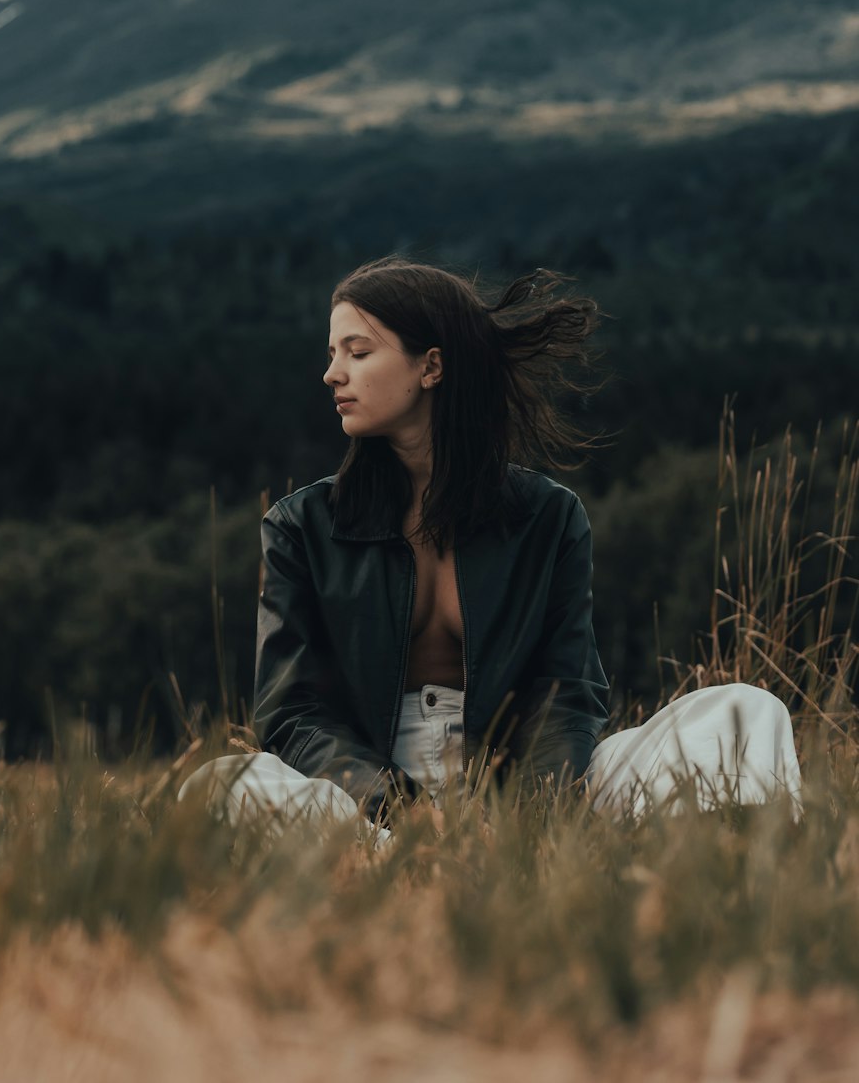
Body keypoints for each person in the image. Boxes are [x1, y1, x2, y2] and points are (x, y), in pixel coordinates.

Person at [180, 257, 802, 841]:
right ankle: (393, 864)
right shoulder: (301, 527)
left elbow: (566, 694)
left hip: (529, 792)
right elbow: (292, 714)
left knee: (745, 711)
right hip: (365, 805)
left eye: (358, 351)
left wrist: (527, 817)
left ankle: (715, 877)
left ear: (431, 367)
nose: (332, 373)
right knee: (221, 783)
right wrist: (401, 807)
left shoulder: (548, 517)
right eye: (331, 353)